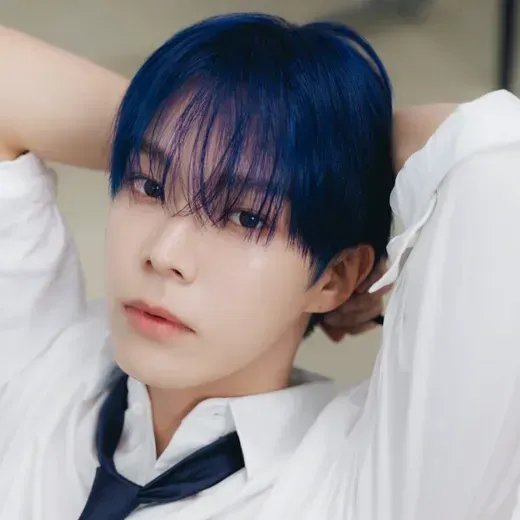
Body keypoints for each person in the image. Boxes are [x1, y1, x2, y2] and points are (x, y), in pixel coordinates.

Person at [1, 13, 520, 520]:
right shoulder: (41, 363)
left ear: (335, 277)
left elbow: (497, 157)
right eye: (149, 185)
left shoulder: (372, 490)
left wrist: (342, 160)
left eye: (246, 216)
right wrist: (194, 120)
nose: (164, 254)